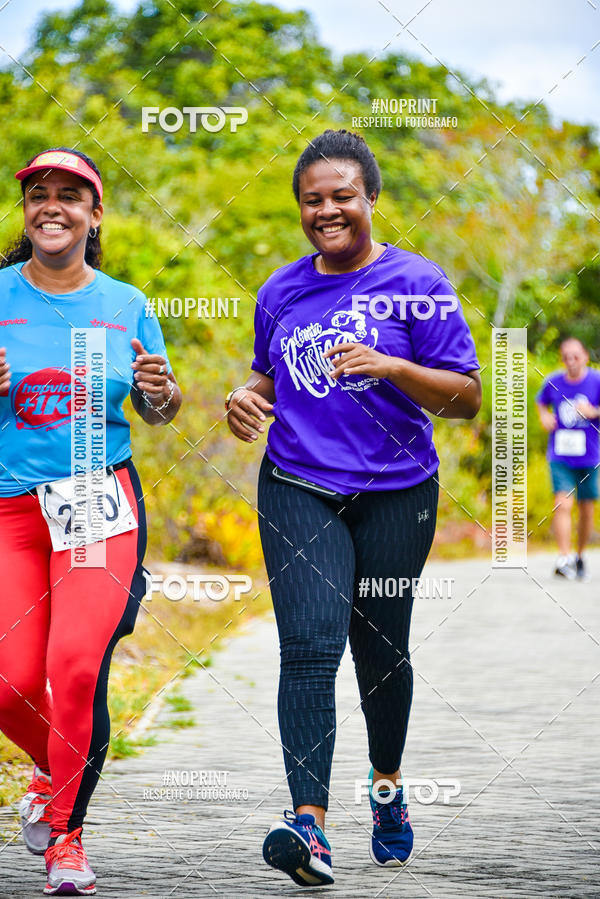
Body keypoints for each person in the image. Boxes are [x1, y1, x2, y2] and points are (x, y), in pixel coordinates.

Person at [226, 129, 481, 887]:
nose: (327, 210)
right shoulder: (280, 291)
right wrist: (247, 396)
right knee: (308, 647)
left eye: (342, 196)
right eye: (313, 200)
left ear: (371, 198)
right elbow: (273, 379)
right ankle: (310, 826)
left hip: (397, 494)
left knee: (381, 651)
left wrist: (394, 365)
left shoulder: (418, 282)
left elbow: (465, 398)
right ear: (300, 208)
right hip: (299, 484)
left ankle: (387, 788)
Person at [0, 147, 181, 896]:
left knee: (75, 665)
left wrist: (161, 388)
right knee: (9, 683)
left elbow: (160, 408)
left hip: (94, 506)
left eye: (69, 196)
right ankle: (55, 773)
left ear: (94, 214)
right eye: (39, 193)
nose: (52, 206)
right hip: (11, 510)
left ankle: (66, 839)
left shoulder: (126, 303)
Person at [536, 337, 600, 581]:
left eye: (575, 356)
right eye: (566, 357)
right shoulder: (553, 381)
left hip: (590, 455)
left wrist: (593, 412)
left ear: (585, 356)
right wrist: (544, 417)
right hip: (560, 454)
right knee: (563, 504)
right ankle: (564, 558)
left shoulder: (596, 380)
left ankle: (580, 555)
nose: (571, 362)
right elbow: (541, 404)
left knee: (586, 508)